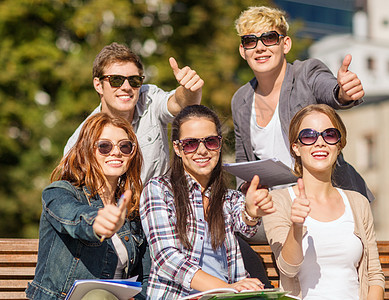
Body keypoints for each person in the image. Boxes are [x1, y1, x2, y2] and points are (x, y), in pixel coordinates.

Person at [232, 6, 373, 201]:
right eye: (250, 41)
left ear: (286, 44)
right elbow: (243, 161)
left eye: (270, 38)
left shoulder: (306, 73)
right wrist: (247, 195)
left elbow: (328, 89)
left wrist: (343, 93)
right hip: (281, 207)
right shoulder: (241, 99)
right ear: (243, 50)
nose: (260, 47)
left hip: (331, 200)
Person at [140, 105, 276, 299]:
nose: (202, 150)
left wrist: (251, 213)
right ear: (178, 148)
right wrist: (229, 289)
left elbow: (245, 224)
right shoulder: (158, 190)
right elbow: (167, 259)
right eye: (190, 144)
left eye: (211, 142)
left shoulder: (229, 198)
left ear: (219, 145)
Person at [262, 104, 385, 299]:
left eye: (329, 135)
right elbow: (287, 269)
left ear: (339, 145)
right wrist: (296, 226)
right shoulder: (278, 202)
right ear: (296, 148)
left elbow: (374, 276)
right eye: (309, 136)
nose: (320, 143)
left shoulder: (358, 202)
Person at [26, 113, 148, 300]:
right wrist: (99, 223)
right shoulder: (59, 193)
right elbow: (75, 217)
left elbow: (144, 278)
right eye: (104, 146)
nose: (116, 152)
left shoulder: (132, 211)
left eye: (125, 146)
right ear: (86, 151)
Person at [64, 42, 203, 184]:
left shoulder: (149, 98)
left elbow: (179, 103)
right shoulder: (78, 141)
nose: (126, 87)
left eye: (134, 80)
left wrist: (189, 89)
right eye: (116, 80)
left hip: (159, 204)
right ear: (98, 85)